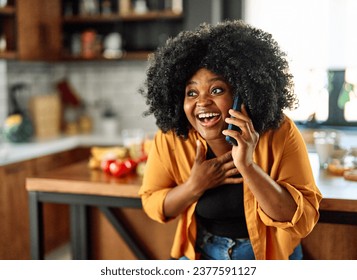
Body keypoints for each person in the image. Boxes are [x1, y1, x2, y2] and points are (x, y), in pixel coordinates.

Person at [138, 20, 322, 260]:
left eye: (216, 90)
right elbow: (152, 202)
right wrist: (194, 186)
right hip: (203, 252)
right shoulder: (172, 137)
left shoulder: (279, 132)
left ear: (242, 94)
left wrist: (248, 166)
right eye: (191, 93)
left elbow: (303, 219)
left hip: (268, 255)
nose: (202, 102)